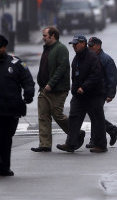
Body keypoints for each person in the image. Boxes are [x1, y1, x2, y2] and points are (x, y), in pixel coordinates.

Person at [56, 35, 106, 153]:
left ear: (83, 44)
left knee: (97, 119)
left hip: (94, 94)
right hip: (79, 95)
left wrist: (84, 87)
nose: (74, 46)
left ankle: (101, 145)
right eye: (72, 44)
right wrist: (74, 91)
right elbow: (75, 76)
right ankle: (71, 143)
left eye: (76, 44)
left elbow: (95, 76)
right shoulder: (77, 58)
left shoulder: (92, 57)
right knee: (74, 118)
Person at [31, 27, 72, 153]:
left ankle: (75, 133)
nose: (43, 37)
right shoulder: (47, 48)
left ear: (52, 36)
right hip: (44, 89)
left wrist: (51, 83)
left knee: (57, 115)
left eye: (45, 35)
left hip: (57, 89)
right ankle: (45, 145)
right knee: (43, 116)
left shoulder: (61, 49)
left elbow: (62, 68)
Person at [0, 35, 34, 176]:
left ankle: (4, 166)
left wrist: (28, 93)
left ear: (4, 47)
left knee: (7, 138)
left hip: (10, 109)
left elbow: (27, 80)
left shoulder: (15, 63)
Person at [85, 37, 117, 148]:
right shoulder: (89, 58)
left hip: (101, 92)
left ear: (98, 46)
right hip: (90, 91)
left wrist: (110, 94)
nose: (89, 48)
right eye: (88, 46)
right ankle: (111, 129)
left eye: (91, 46)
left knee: (96, 114)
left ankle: (94, 140)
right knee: (94, 115)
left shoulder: (106, 59)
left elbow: (112, 78)